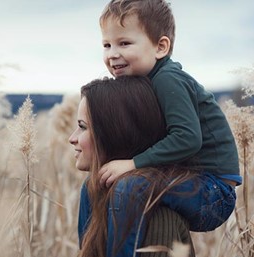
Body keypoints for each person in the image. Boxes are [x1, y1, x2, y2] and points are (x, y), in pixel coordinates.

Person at [97, 0, 242, 232]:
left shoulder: (167, 79)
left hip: (213, 193)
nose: (112, 54)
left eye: (124, 43)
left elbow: (187, 138)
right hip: (185, 179)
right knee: (95, 187)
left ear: (160, 47)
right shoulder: (143, 85)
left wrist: (133, 164)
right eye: (106, 45)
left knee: (129, 188)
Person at [64, 75, 196, 257]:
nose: (72, 138)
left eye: (83, 127)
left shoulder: (157, 212)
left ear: (114, 132)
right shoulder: (100, 199)